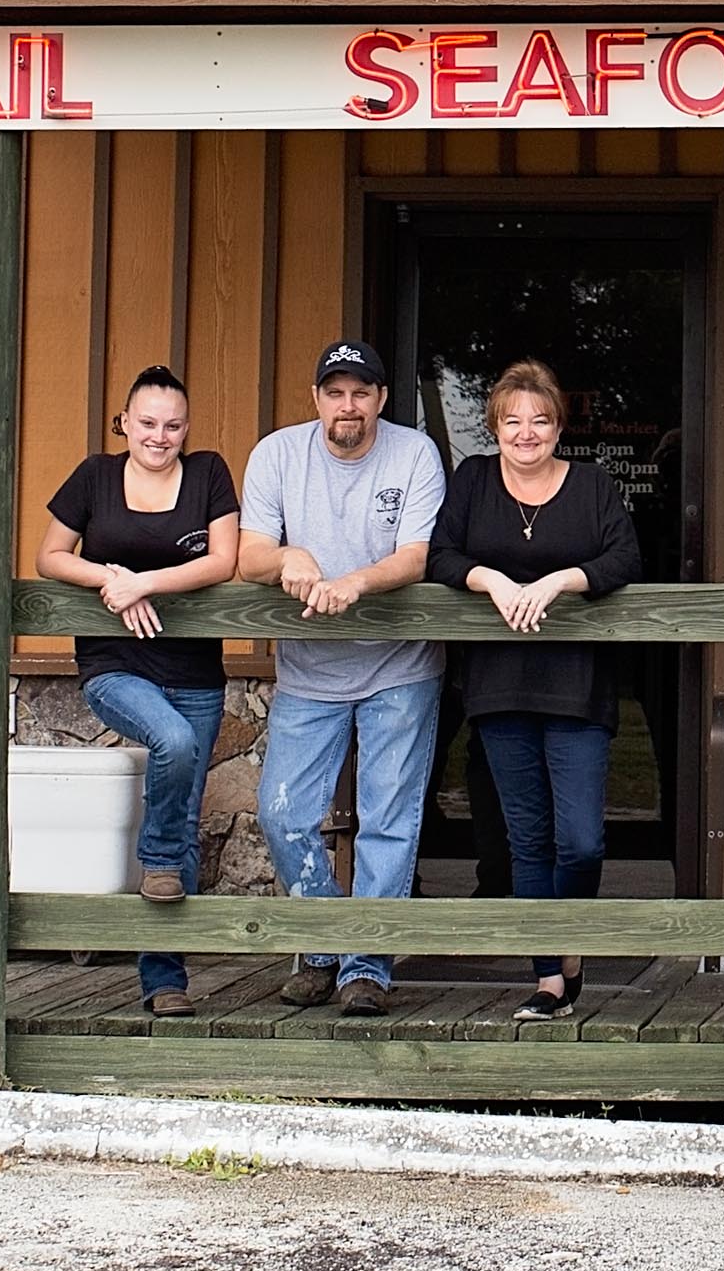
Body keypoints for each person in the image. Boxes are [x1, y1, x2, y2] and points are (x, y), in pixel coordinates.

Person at [426, 359, 643, 1019]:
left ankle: (568, 938)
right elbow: (440, 556)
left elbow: (624, 558)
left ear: (558, 426)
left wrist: (558, 581)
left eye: (539, 420)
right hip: (499, 685)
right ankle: (550, 977)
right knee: (527, 839)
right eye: (512, 421)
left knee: (579, 839)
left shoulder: (592, 486)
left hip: (577, 683)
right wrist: (492, 580)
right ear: (494, 426)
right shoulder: (472, 482)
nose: (526, 433)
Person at [240, 338, 449, 1017]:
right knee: (282, 812)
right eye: (335, 392)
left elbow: (417, 556)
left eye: (362, 392)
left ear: (382, 400)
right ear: (316, 398)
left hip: (400, 668)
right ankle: (324, 941)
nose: (348, 405)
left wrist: (355, 581)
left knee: (390, 822)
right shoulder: (277, 454)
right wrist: (289, 558)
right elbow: (248, 554)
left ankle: (367, 966)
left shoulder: (414, 453)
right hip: (308, 670)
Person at [35, 365, 243, 1017]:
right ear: (125, 422)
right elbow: (50, 557)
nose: (161, 435)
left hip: (196, 673)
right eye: (148, 423)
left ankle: (164, 982)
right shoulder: (95, 475)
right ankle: (153, 863)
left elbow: (222, 560)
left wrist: (145, 584)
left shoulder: (208, 472)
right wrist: (107, 579)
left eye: (173, 424)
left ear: (187, 427)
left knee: (181, 816)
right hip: (114, 664)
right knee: (172, 744)